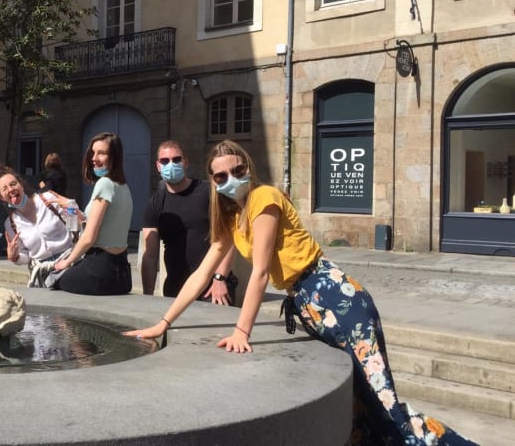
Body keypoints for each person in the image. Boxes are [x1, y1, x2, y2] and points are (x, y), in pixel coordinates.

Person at [126, 140, 476, 446]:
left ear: (249, 167)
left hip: (335, 296)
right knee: (357, 405)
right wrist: (163, 322)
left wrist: (241, 331)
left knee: (383, 403)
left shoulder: (264, 197)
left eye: (238, 169)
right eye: (220, 176)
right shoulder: (233, 218)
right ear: (214, 182)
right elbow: (202, 272)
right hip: (309, 305)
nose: (230, 179)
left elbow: (261, 272)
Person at [141, 140, 237, 304]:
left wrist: (220, 279)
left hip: (213, 288)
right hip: (175, 289)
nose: (171, 164)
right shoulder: (155, 204)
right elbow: (150, 255)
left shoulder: (209, 192)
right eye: (165, 161)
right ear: (158, 166)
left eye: (176, 159)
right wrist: (147, 296)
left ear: (185, 162)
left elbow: (229, 236)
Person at [52, 132, 132, 295]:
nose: (94, 158)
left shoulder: (105, 184)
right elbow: (100, 222)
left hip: (100, 271)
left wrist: (67, 262)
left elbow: (89, 237)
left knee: (51, 279)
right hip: (122, 273)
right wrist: (70, 205)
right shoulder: (123, 186)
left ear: (114, 157)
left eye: (101, 153)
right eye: (92, 153)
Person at [0, 163, 76, 287]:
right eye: (5, 188)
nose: (11, 190)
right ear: (2, 197)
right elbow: (26, 256)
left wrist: (71, 207)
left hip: (69, 262)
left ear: (21, 185)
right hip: (43, 274)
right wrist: (15, 257)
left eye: (13, 184)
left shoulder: (47, 199)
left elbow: (75, 225)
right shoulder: (11, 223)